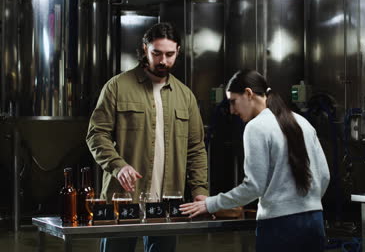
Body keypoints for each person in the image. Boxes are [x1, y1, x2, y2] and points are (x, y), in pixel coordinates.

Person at [86, 22, 208, 252]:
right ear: (144, 49)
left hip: (169, 200)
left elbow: (196, 148)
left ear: (178, 52)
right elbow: (96, 134)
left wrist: (200, 191)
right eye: (157, 53)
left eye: (170, 54)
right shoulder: (117, 87)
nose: (163, 61)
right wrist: (118, 166)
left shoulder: (186, 96)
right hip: (124, 199)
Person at [180, 69, 330, 252]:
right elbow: (324, 176)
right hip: (315, 222)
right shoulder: (302, 122)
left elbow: (254, 187)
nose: (231, 110)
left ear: (249, 93)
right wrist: (305, 204)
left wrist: (210, 204)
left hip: (280, 227)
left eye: (233, 102)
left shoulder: (256, 127)